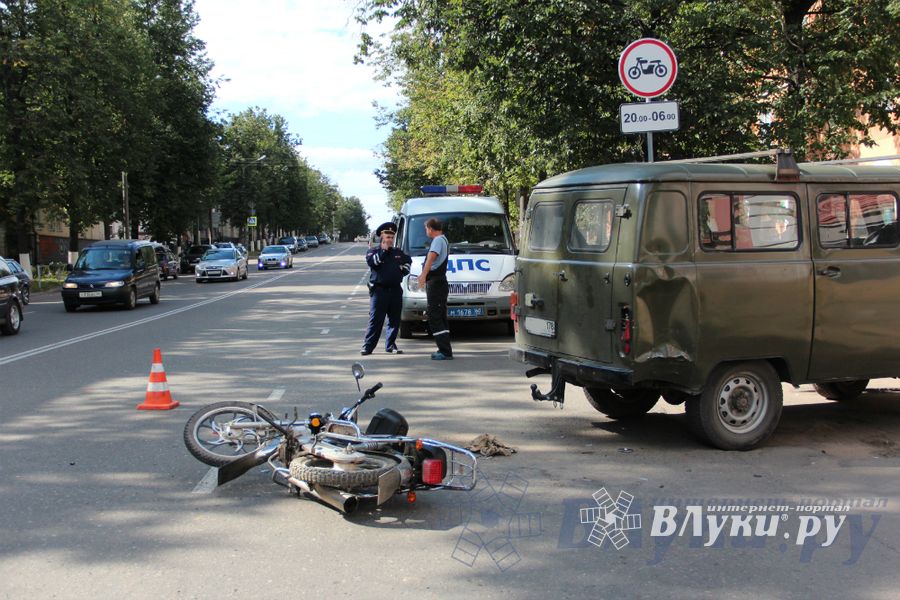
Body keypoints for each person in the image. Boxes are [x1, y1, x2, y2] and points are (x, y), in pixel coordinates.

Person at [361, 222, 412, 355]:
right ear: (381, 238)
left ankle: (390, 345)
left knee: (394, 320)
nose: (390, 240)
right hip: (379, 291)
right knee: (375, 320)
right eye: (387, 237)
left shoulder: (398, 253)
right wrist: (384, 251)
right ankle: (368, 346)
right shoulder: (373, 252)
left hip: (395, 290)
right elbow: (374, 262)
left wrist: (404, 270)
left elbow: (408, 261)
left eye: (391, 237)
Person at [417, 217, 453, 360]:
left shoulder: (438, 240)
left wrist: (423, 276)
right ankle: (445, 348)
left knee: (434, 316)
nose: (426, 231)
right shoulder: (443, 239)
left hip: (436, 282)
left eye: (426, 228)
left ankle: (444, 351)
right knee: (440, 315)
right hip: (440, 282)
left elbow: (431, 258)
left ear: (431, 229)